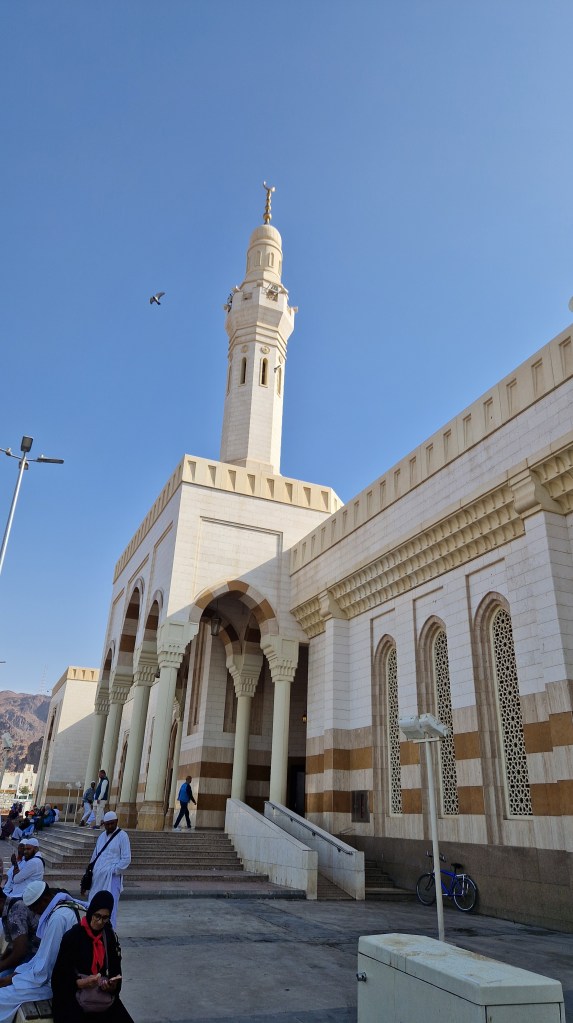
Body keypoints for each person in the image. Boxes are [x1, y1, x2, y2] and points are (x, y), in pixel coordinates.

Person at [0, 881, 84, 1023]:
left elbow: (44, 971)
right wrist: (17, 974)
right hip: (48, 975)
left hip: (54, 983)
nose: (34, 913)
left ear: (44, 900)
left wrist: (14, 979)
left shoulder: (58, 919)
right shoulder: (59, 909)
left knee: (2, 996)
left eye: (34, 908)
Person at [51, 890, 134, 1023]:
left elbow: (115, 970)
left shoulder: (108, 936)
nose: (100, 922)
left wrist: (111, 986)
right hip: (74, 995)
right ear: (91, 912)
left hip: (101, 996)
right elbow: (59, 977)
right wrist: (80, 983)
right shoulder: (73, 936)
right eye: (97, 916)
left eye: (105, 918)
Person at [82, 813, 130, 927]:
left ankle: (109, 933)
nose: (110, 826)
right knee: (94, 904)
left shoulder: (123, 836)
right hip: (97, 878)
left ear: (117, 821)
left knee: (110, 907)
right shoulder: (101, 836)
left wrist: (112, 871)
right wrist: (88, 876)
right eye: (107, 824)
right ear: (104, 824)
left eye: (112, 823)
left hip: (112, 879)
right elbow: (94, 857)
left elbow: (126, 859)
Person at [0, 886, 40, 975]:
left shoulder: (15, 912)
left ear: (1, 901)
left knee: (3, 977)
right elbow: (13, 943)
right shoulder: (9, 908)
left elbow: (20, 951)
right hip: (29, 952)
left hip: (36, 954)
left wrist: (1, 966)